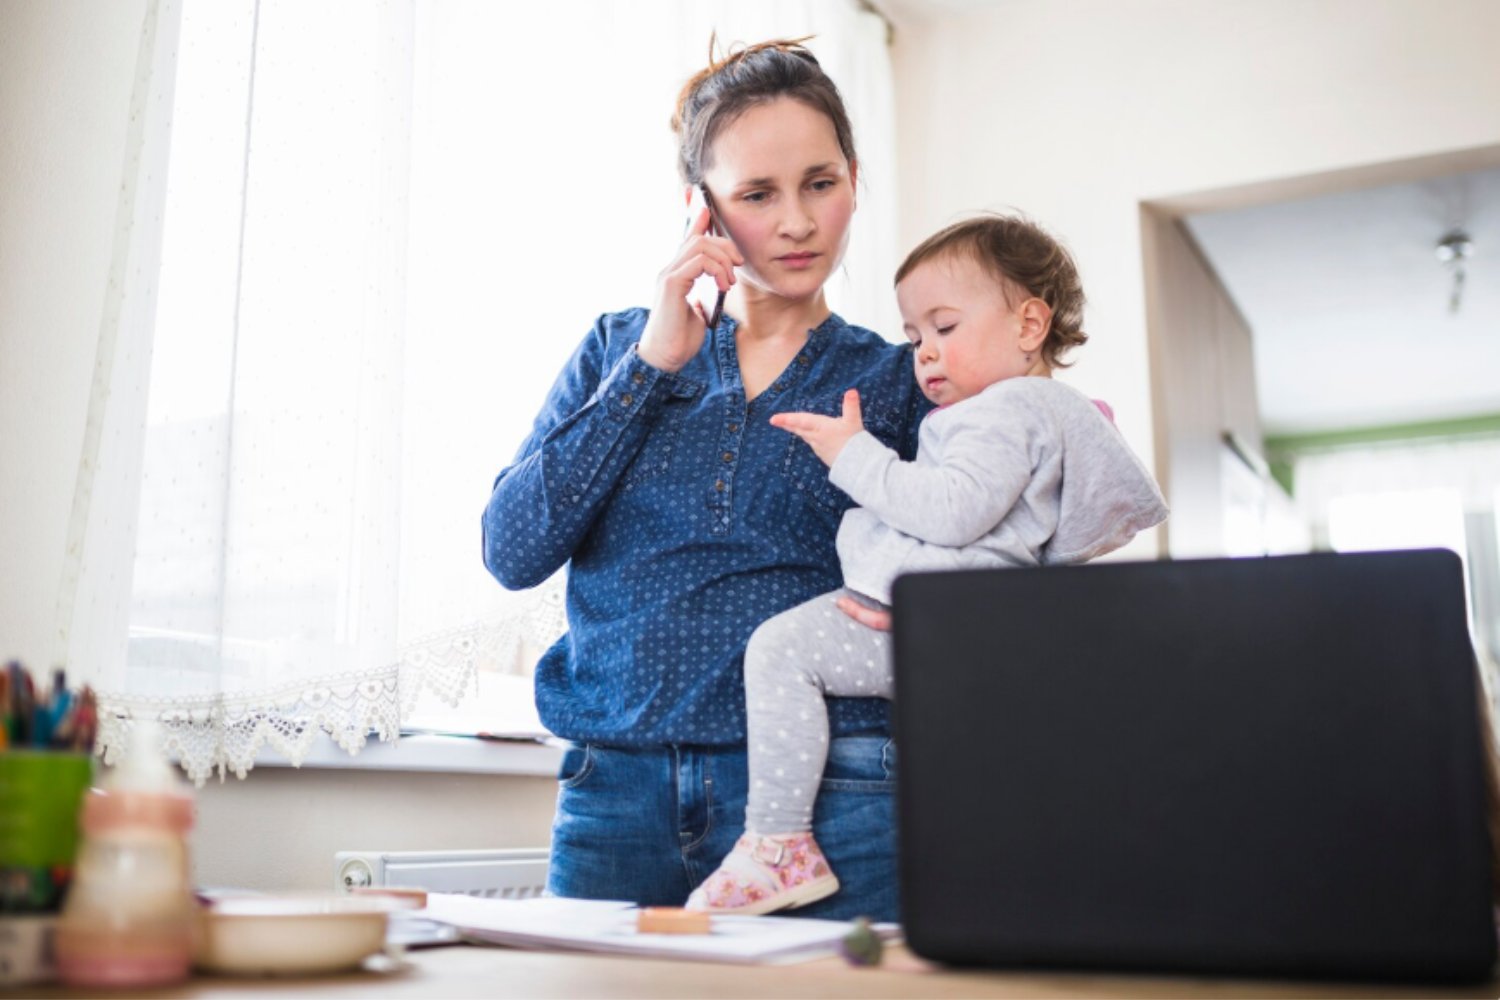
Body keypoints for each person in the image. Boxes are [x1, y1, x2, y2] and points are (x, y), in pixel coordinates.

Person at [480, 39, 928, 922]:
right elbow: (512, 551)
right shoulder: (619, 348)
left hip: (833, 795)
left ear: (853, 178)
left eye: (821, 182)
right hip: (614, 794)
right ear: (702, 211)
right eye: (758, 195)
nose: (798, 221)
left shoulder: (898, 380)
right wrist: (652, 366)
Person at [685, 214, 1170, 914]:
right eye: (915, 337)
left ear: (1030, 325)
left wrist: (854, 455)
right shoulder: (1026, 410)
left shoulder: (1007, 411)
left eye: (944, 327)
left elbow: (951, 510)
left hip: (936, 624)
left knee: (781, 651)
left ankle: (778, 844)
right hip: (954, 629)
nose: (925, 354)